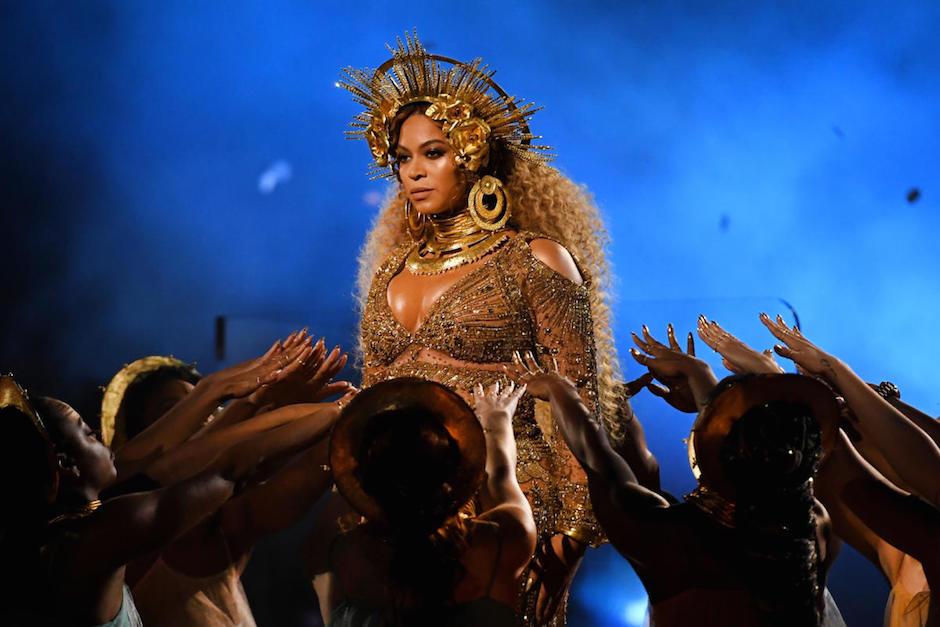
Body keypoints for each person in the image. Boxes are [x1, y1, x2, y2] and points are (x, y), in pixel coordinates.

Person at [341, 32, 627, 624]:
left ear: (472, 156)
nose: (413, 172)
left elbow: (581, 400)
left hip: (512, 503)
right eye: (402, 157)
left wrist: (572, 533)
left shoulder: (534, 259)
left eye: (433, 152)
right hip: (404, 516)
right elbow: (374, 400)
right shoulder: (390, 272)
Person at [510, 335, 848, 626]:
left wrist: (560, 390)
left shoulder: (670, 538)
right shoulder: (811, 527)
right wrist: (699, 375)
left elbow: (597, 457)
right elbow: (760, 443)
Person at [0, 374, 256, 626]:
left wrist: (221, 391)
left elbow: (152, 456)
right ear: (66, 464)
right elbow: (226, 469)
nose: (99, 435)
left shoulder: (53, 541)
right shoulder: (98, 535)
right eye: (89, 433)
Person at [324, 377, 536, 626]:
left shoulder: (348, 554)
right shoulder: (502, 541)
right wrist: (497, 420)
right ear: (455, 472)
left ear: (365, 481)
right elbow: (501, 479)